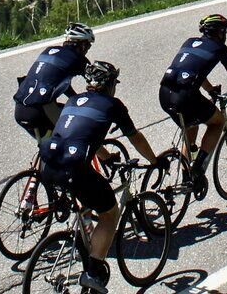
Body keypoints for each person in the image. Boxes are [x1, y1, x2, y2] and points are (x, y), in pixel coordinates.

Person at [39, 60, 159, 294]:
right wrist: (155, 161)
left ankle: (85, 248)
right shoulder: (113, 105)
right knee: (109, 214)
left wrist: (104, 156)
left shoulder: (73, 100)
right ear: (110, 84)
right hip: (73, 168)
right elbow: (135, 137)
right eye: (115, 82)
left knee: (87, 197)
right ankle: (92, 272)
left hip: (49, 166)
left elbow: (80, 135)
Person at [157, 14, 227, 198]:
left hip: (165, 94)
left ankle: (186, 176)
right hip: (186, 96)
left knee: (190, 127)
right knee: (217, 122)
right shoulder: (220, 48)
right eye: (225, 31)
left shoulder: (189, 42)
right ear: (219, 33)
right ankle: (198, 168)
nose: (225, 35)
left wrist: (211, 89)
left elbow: (193, 69)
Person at [12, 22, 95, 142]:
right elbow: (97, 82)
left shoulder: (48, 51)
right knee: (81, 132)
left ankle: (44, 158)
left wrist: (75, 98)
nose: (87, 50)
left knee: (50, 147)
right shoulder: (78, 59)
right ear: (82, 44)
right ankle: (107, 158)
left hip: (20, 110)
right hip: (40, 109)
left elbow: (58, 82)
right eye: (88, 46)